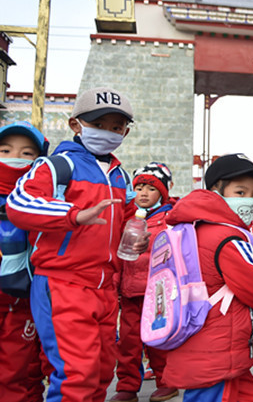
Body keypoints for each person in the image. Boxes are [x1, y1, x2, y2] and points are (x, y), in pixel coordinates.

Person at [7, 87, 145, 402]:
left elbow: (126, 220)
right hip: (63, 283)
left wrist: (137, 237)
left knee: (101, 373)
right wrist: (73, 215)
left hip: (105, 288)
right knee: (75, 375)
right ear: (75, 124)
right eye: (98, 124)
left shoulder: (120, 175)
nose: (108, 132)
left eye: (117, 127)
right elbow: (19, 204)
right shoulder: (56, 165)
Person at [161, 153, 253, 402]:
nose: (250, 201)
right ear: (215, 193)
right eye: (240, 192)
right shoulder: (227, 237)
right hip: (216, 354)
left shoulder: (196, 228)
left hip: (212, 349)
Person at [112, 162, 179, 402]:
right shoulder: (126, 216)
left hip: (158, 291)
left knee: (158, 340)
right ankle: (127, 386)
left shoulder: (170, 218)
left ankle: (166, 382)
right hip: (130, 292)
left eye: (151, 189)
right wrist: (115, 285)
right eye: (139, 188)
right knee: (128, 343)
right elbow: (118, 254)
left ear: (163, 192)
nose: (143, 193)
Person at [0, 121, 49, 402]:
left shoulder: (45, 200)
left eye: (26, 153)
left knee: (17, 368)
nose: (14, 158)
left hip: (24, 299)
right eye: (5, 150)